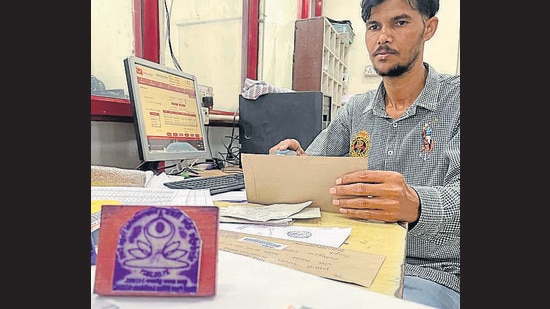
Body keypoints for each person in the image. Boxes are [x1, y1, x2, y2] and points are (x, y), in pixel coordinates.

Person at [269, 0, 460, 307]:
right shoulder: (357, 109)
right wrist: (294, 165)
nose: (383, 37)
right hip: (350, 258)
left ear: (429, 28)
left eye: (399, 23)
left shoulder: (458, 101)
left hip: (430, 272)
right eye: (374, 26)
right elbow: (315, 167)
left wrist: (416, 204)